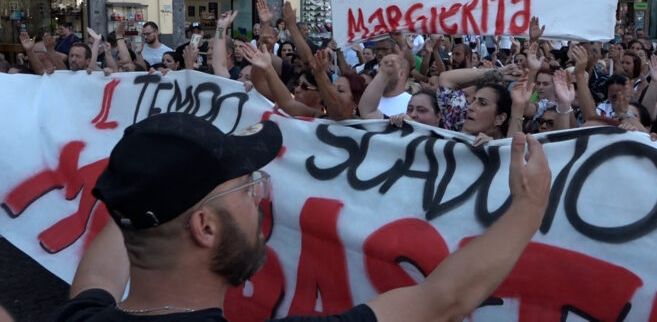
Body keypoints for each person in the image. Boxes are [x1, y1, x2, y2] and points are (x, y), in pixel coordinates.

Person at [49, 113, 552, 322]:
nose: (263, 197)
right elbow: (444, 299)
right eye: (250, 189)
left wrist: (159, 173)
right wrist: (530, 207)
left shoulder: (81, 316)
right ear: (205, 228)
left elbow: (108, 256)